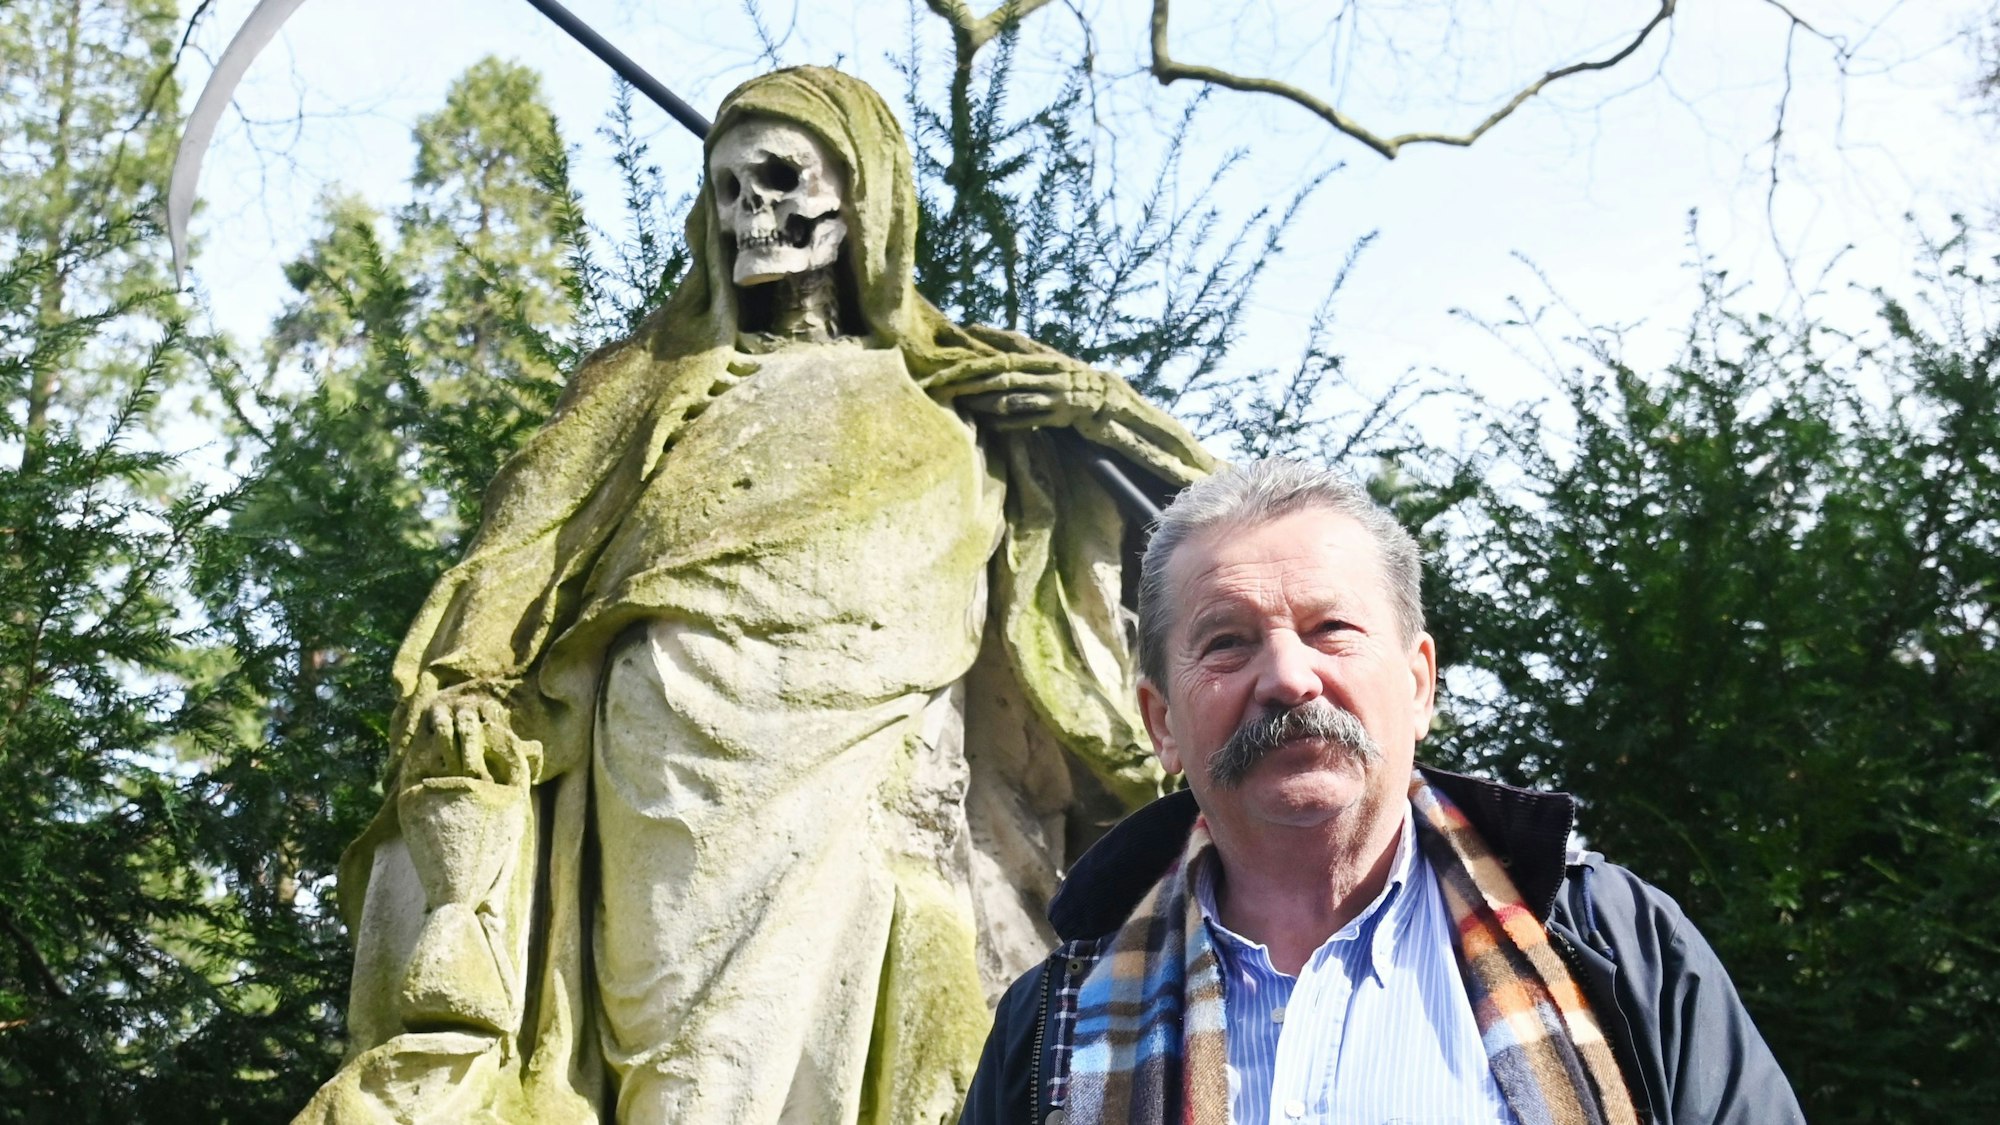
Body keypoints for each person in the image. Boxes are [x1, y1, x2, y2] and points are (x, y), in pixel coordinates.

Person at [295, 68, 1215, 1124]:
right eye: (728, 189)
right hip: (669, 758)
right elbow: (522, 542)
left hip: (875, 765)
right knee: (679, 1057)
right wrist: (466, 676)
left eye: (781, 181)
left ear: (859, 199)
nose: (751, 215)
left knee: (879, 1022)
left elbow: (1224, 539)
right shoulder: (649, 380)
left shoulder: (959, 391)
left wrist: (1098, 410)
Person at [961, 458, 1803, 1125]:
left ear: (1419, 683)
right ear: (1163, 724)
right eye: (1227, 640)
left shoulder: (1618, 946)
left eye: (1332, 628)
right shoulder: (1053, 1022)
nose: (1290, 677)